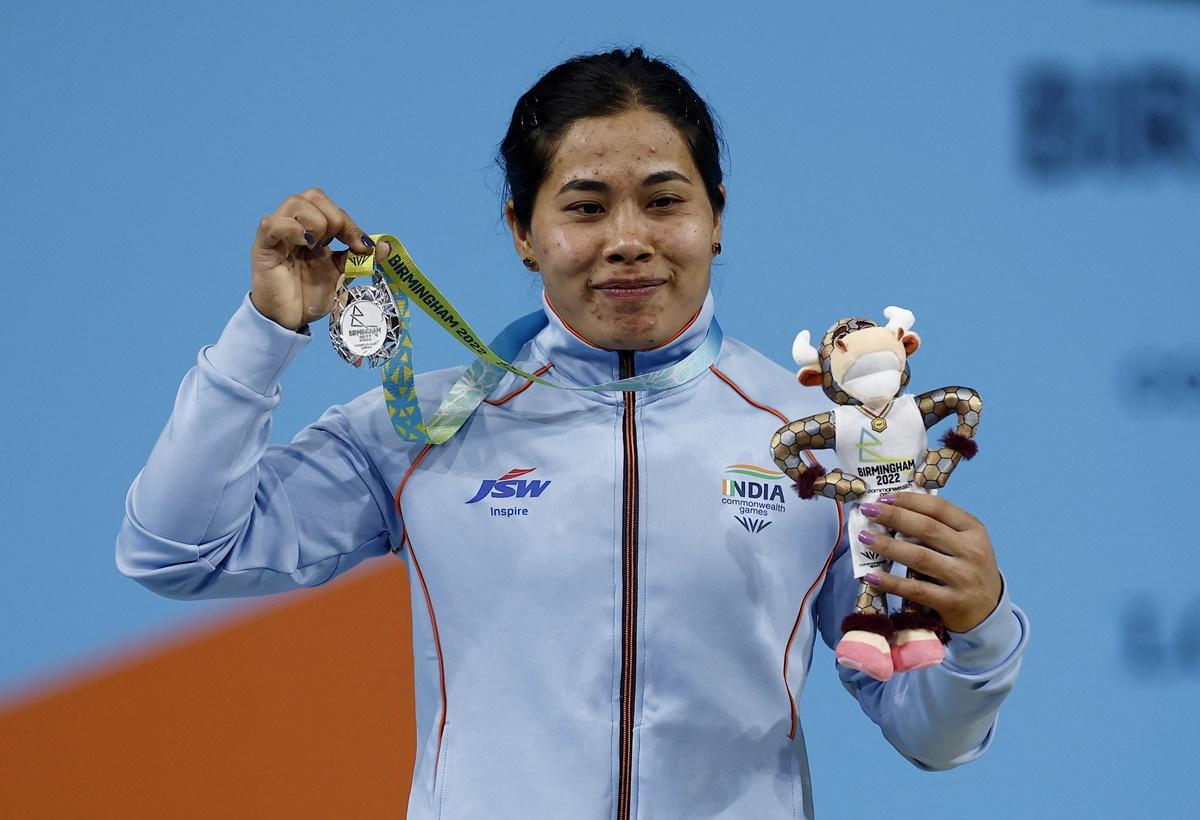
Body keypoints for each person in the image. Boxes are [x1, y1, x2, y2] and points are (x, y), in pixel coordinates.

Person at [116, 48, 1029, 819]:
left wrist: (984, 630)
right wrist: (264, 333)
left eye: (664, 201)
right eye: (585, 207)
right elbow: (178, 549)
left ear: (718, 219)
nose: (627, 240)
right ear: (523, 230)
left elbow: (930, 735)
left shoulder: (817, 444)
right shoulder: (425, 427)